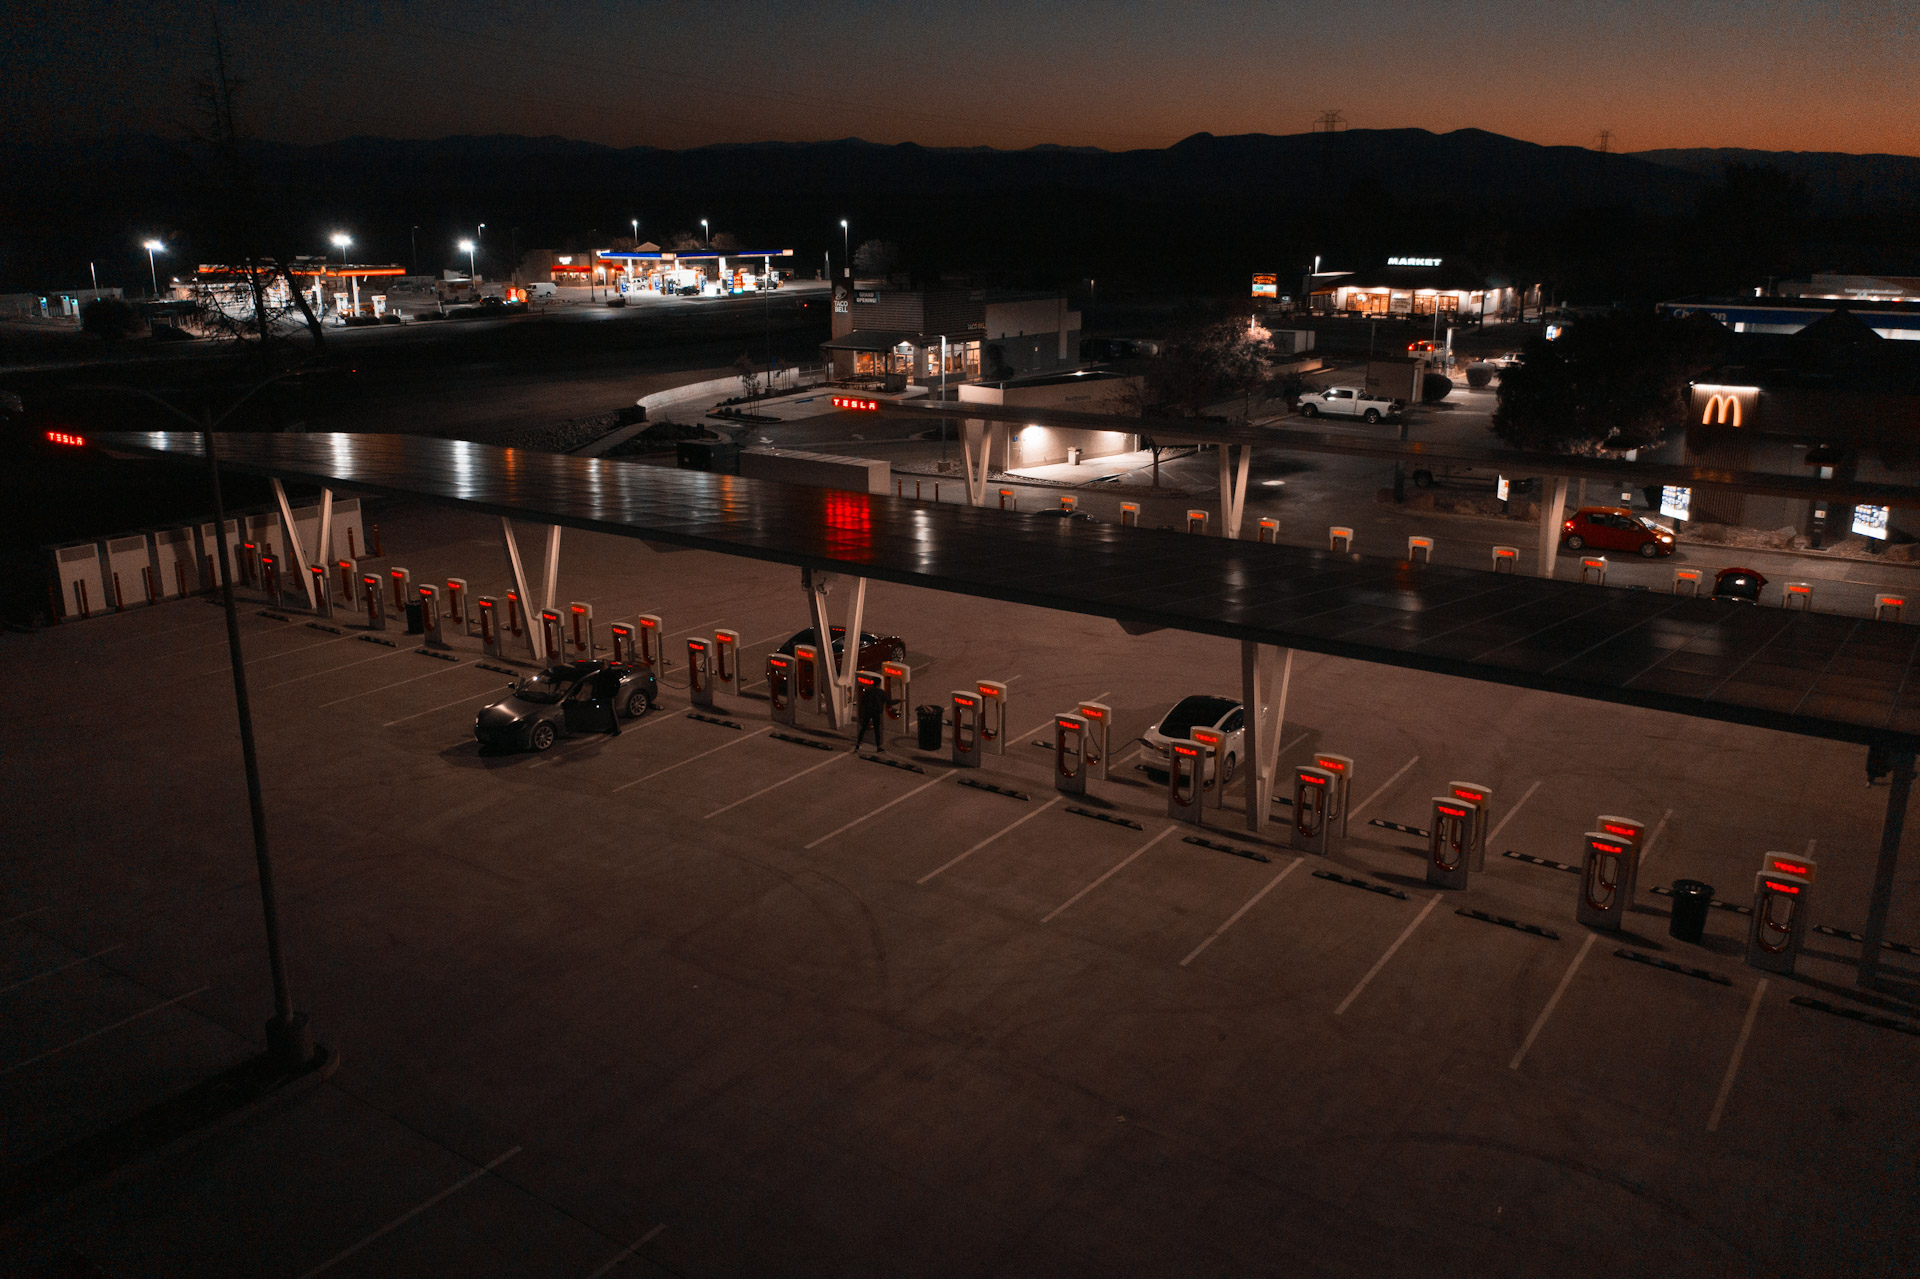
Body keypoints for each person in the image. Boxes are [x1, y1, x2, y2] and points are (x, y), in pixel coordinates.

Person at [853, 678, 888, 752]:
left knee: (863, 729)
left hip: (867, 712)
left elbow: (862, 701)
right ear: (879, 684)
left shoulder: (868, 691)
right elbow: (889, 702)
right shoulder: (881, 692)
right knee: (877, 730)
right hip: (876, 713)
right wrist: (900, 700)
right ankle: (878, 747)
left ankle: (857, 745)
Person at [590, 665, 625, 735]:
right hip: (604, 695)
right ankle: (611, 727)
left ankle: (617, 729)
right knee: (608, 713)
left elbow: (617, 684)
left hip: (609, 695)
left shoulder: (610, 673)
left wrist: (613, 693)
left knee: (613, 712)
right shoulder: (601, 673)